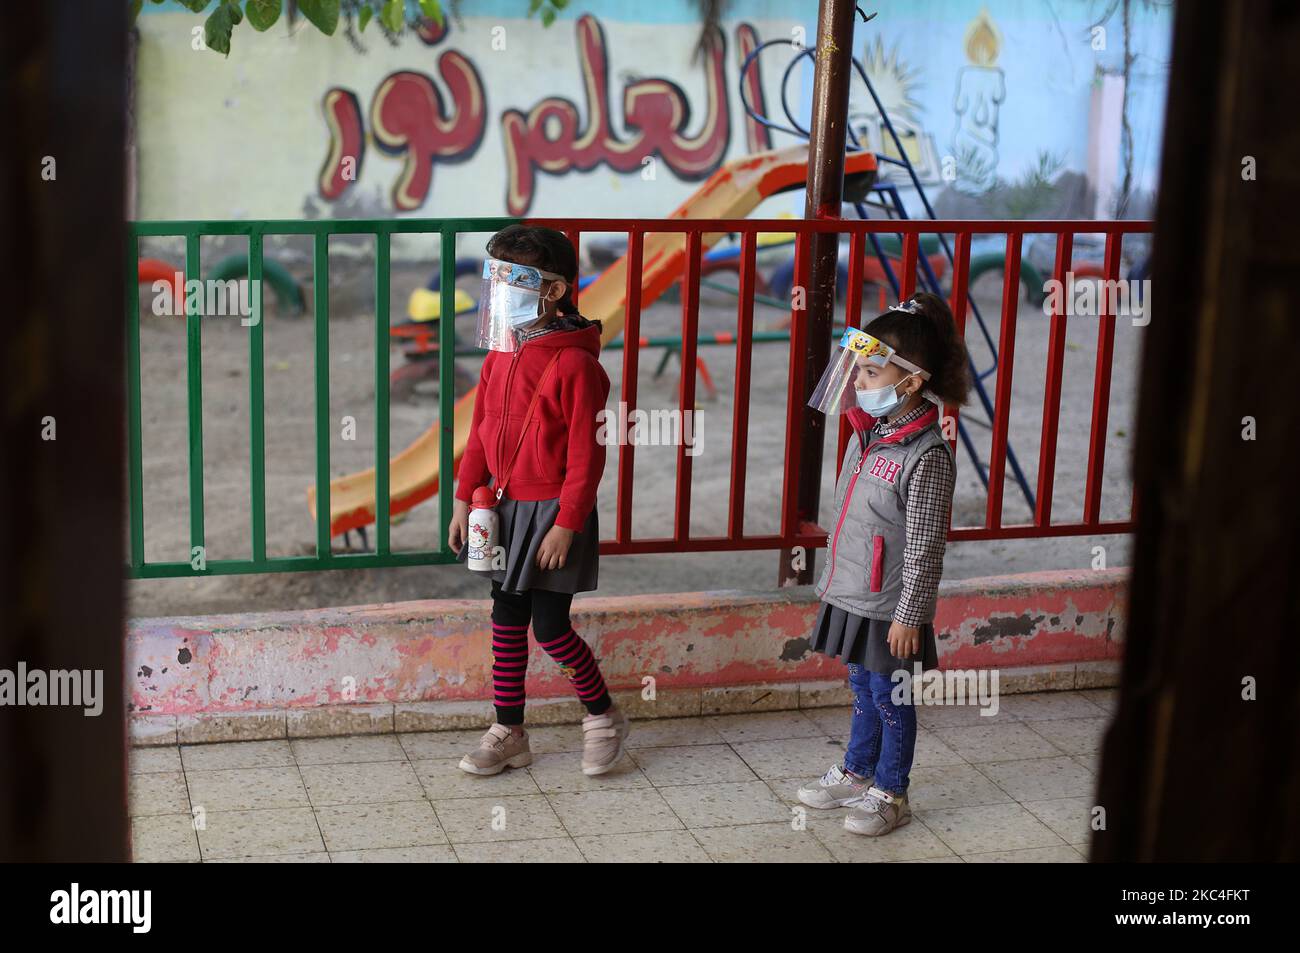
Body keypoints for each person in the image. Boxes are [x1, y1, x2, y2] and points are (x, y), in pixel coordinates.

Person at [448, 225, 629, 777]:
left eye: (514, 280)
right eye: (495, 279)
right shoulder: (501, 353)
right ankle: (509, 731)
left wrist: (567, 523)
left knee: (550, 628)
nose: (499, 292)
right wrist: (463, 498)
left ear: (552, 291)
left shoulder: (578, 366)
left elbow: (587, 457)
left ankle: (603, 718)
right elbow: (480, 430)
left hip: (552, 517)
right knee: (505, 618)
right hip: (500, 512)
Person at [797, 291, 971, 836]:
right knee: (861, 685)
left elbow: (924, 547)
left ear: (911, 382)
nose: (860, 383)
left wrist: (910, 615)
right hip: (853, 593)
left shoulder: (927, 455)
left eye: (871, 372)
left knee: (888, 694)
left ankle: (892, 791)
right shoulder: (867, 434)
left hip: (892, 606)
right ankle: (857, 770)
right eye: (860, 370)